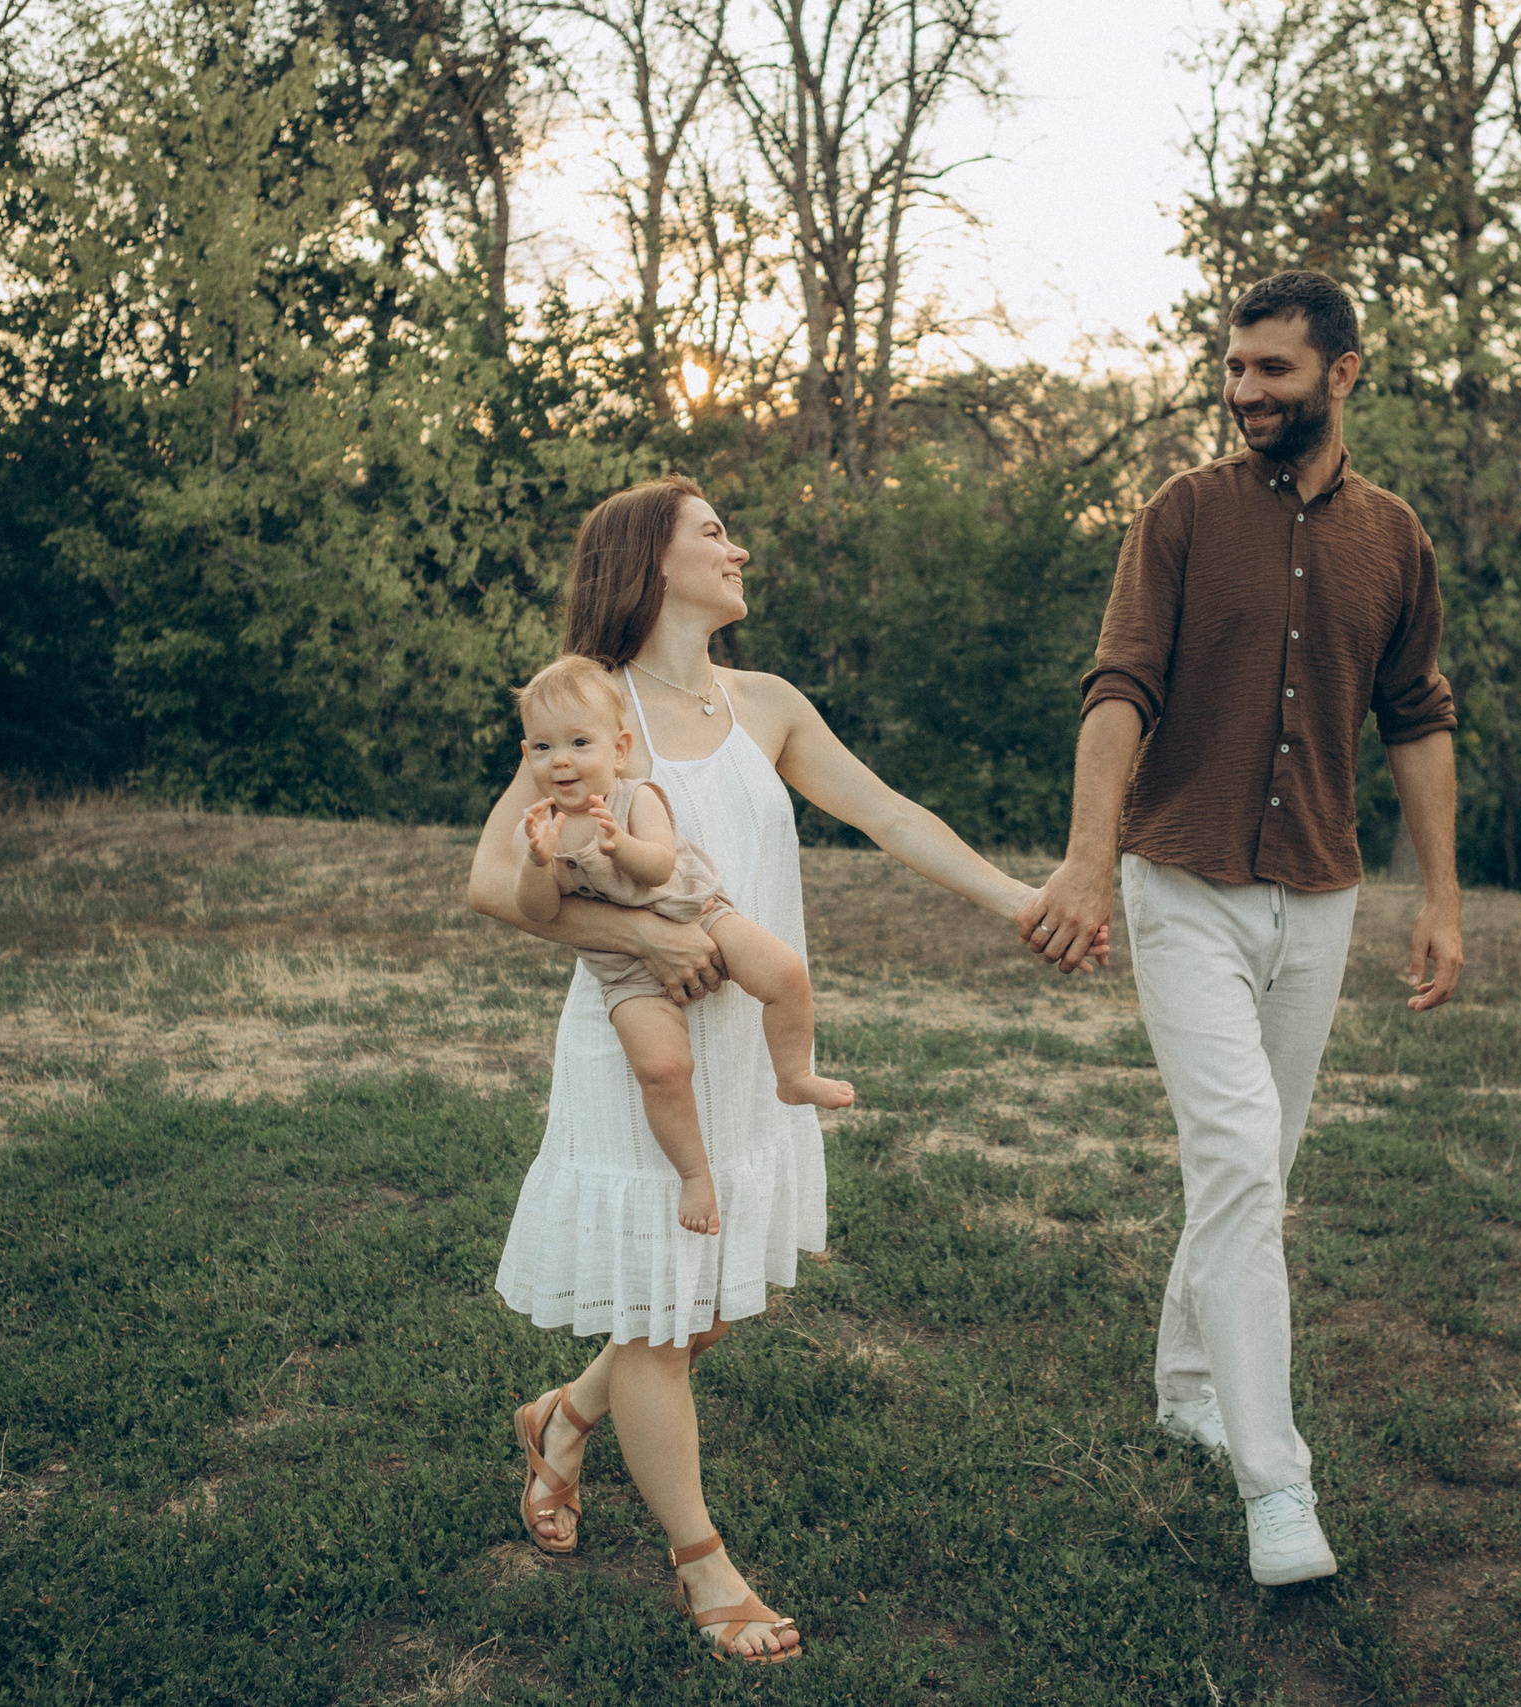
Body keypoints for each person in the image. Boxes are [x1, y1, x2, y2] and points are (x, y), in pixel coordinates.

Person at [469, 475, 1105, 1661]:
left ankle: (563, 1414)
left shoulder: (766, 702)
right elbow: (494, 883)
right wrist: (642, 935)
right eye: (713, 534)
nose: (738, 549)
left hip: (745, 1048)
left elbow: (889, 814)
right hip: (639, 1057)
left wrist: (1019, 900)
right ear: (649, 561)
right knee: (664, 1322)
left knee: (700, 1308)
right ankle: (705, 1570)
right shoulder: (597, 712)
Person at [1016, 270, 1464, 1587]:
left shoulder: (1397, 538)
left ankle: (1187, 1383)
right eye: (1236, 367)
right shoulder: (1182, 515)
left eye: (1274, 369)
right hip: (1185, 885)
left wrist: (1439, 896)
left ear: (1344, 371)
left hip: (1320, 898)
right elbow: (1118, 688)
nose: (1245, 390)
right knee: (1233, 1158)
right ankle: (1277, 1482)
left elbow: (1419, 715)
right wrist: (1089, 861)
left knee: (1253, 1168)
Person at [509, 653, 857, 1237]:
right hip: (624, 970)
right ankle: (694, 1174)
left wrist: (620, 845)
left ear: (617, 750)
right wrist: (537, 863)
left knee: (785, 972)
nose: (561, 760)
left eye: (578, 742)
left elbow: (659, 865)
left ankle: (793, 1074)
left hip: (699, 910)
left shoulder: (634, 798)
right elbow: (539, 912)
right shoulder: (542, 825)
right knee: (662, 1069)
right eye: (542, 748)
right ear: (527, 757)